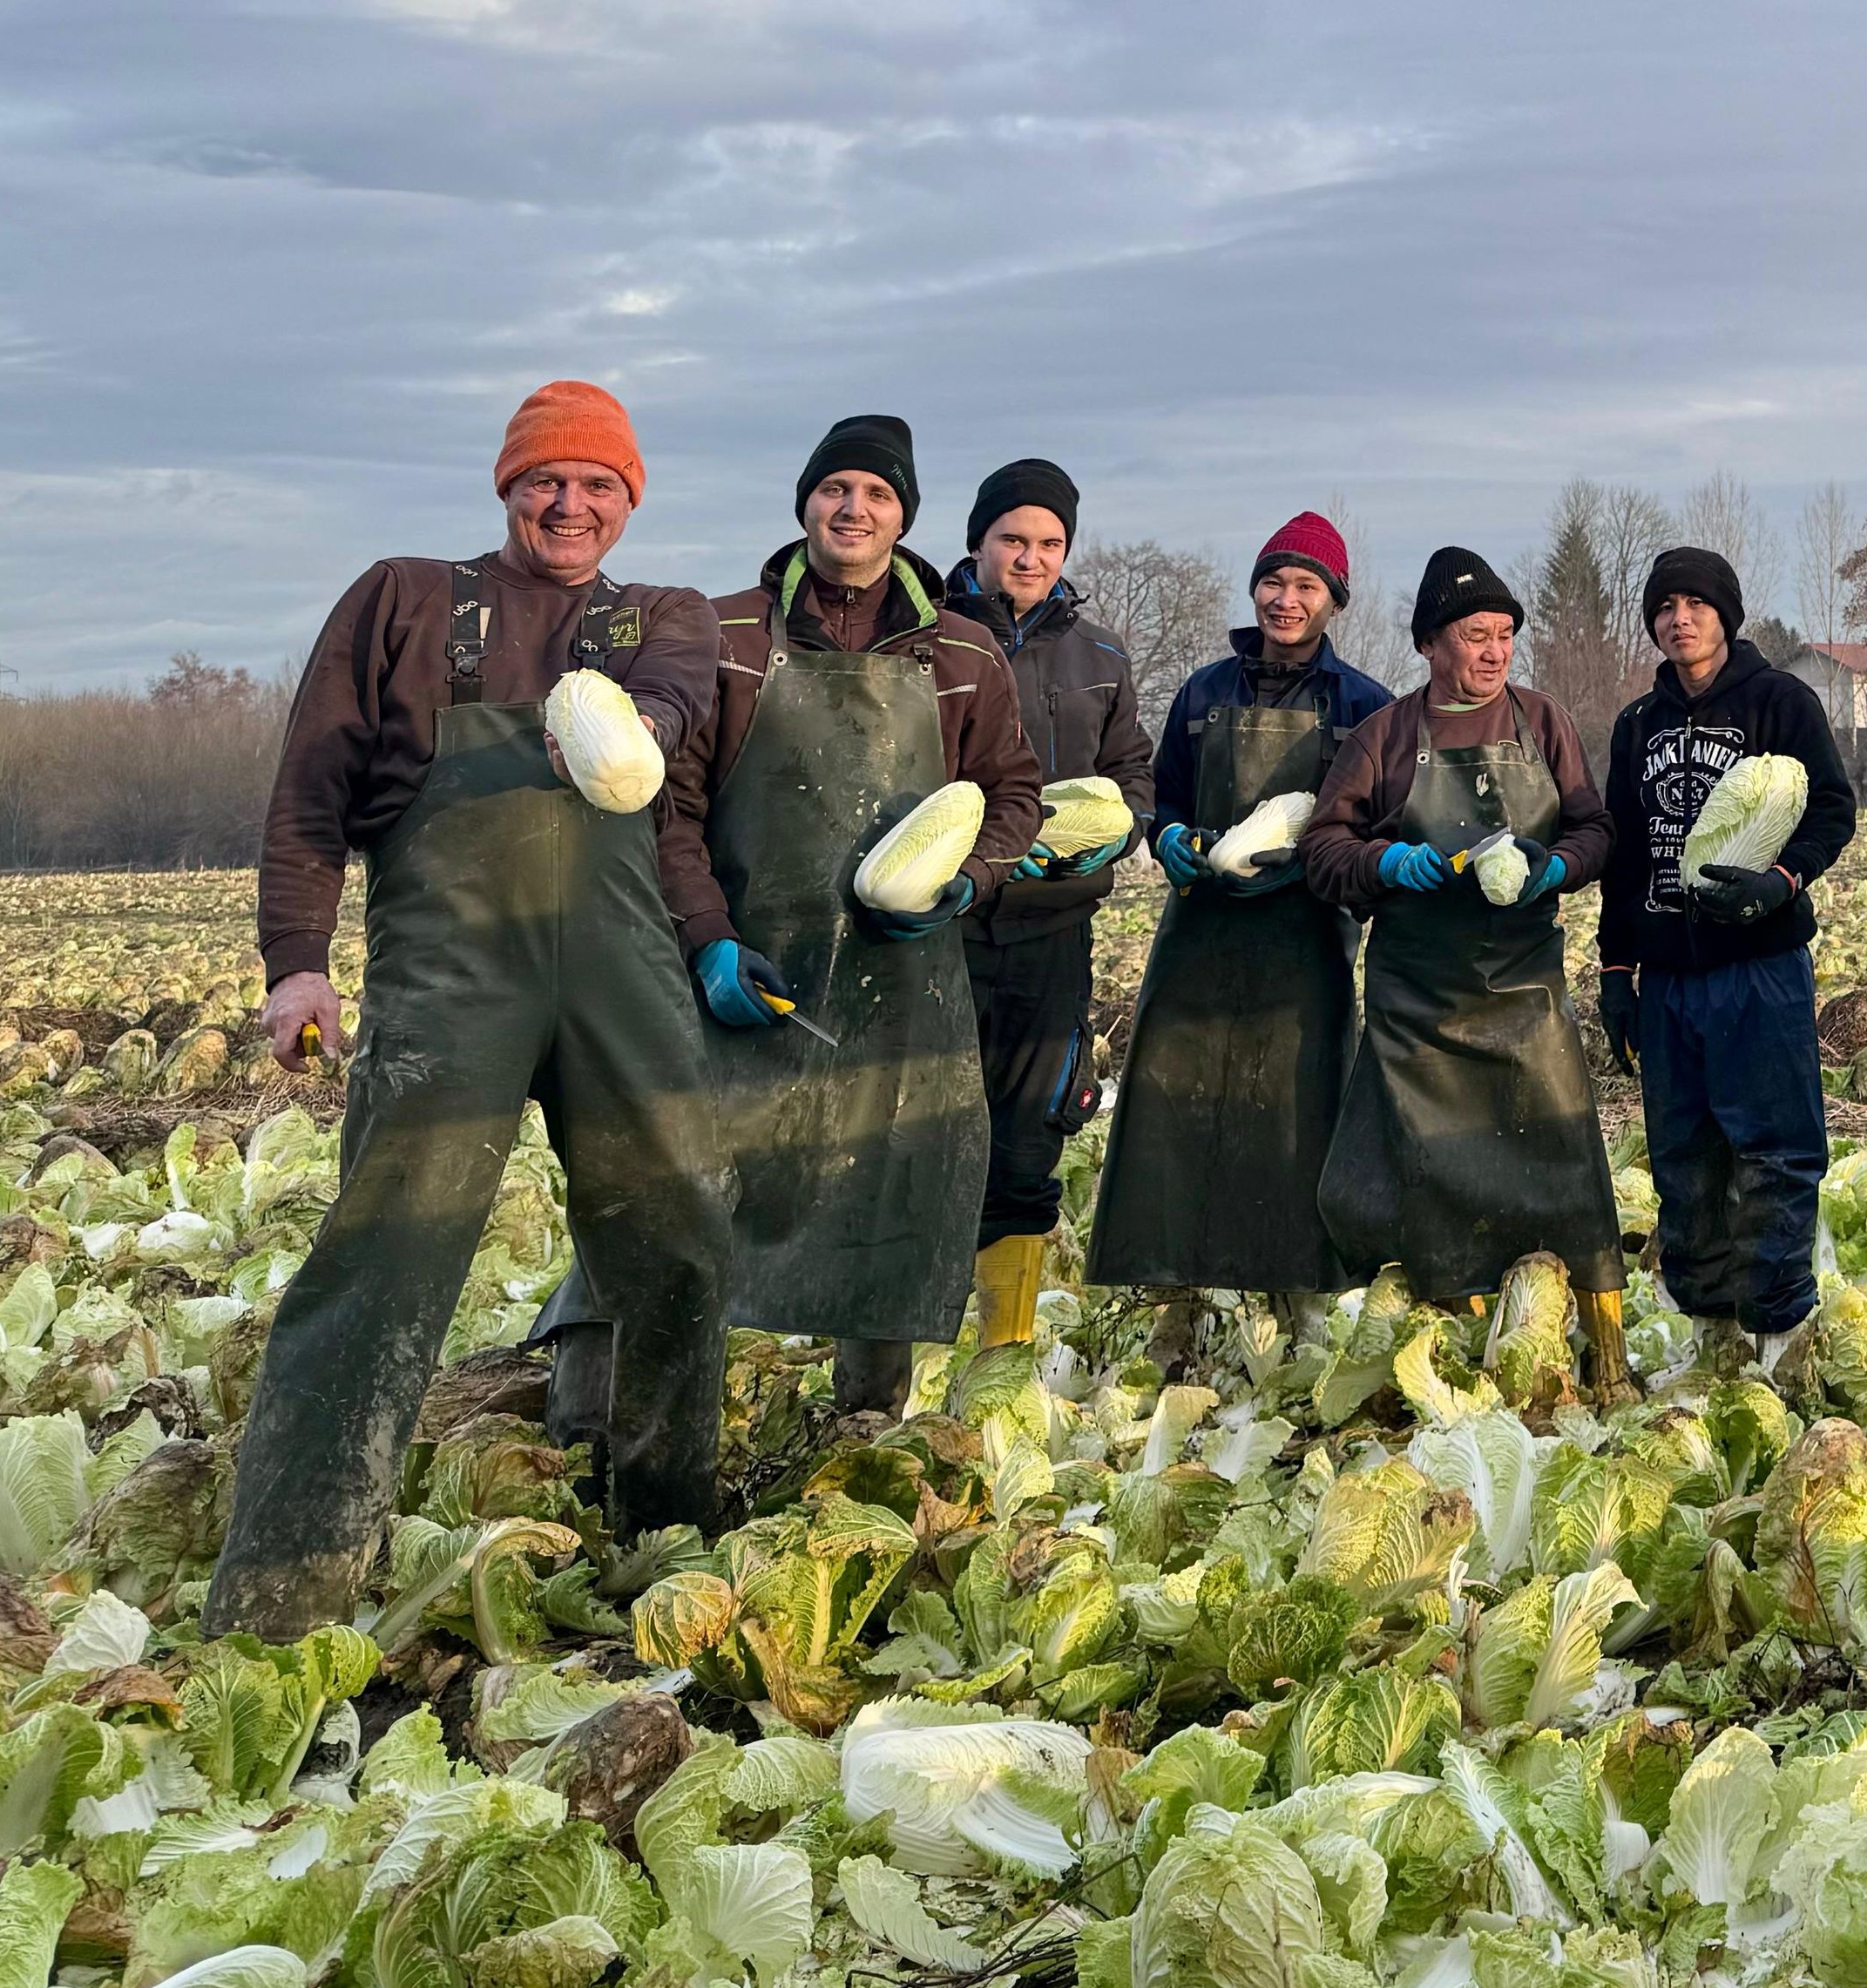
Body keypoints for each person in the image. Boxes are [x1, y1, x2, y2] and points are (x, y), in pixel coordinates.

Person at [213, 382, 730, 1637]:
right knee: (388, 1247)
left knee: (677, 1234)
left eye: (597, 484)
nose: (570, 503)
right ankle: (292, 1573)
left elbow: (674, 702)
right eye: (545, 480)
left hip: (620, 965)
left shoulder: (663, 615)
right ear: (507, 488)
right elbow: (310, 790)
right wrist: (297, 958)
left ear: (628, 500)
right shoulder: (402, 598)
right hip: (452, 968)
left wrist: (634, 730)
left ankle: (663, 1532)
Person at [536, 416, 1045, 1423]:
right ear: (805, 502)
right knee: (664, 1189)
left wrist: (967, 883)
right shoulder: (720, 635)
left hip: (900, 989)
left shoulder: (964, 655)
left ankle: (864, 1427)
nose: (854, 510)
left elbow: (1014, 796)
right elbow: (668, 811)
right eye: (836, 489)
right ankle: (591, 1429)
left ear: (904, 518)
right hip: (740, 972)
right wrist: (706, 939)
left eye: (879, 496)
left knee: (891, 1199)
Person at [1300, 547, 1626, 1387]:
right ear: (1430, 644)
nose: (1494, 651)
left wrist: (1560, 866)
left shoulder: (1541, 721)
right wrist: (1384, 865)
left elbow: (1595, 826)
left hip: (1525, 992)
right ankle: (1459, 1357)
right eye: (1476, 634)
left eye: (1506, 634)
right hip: (1420, 1007)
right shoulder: (1388, 735)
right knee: (1435, 1187)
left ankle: (1606, 1360)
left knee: (1567, 1173)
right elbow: (1323, 848)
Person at [1087, 514, 1391, 1362]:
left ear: (1333, 601)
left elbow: (1368, 827)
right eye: (1274, 581)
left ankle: (1298, 1305)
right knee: (1171, 1113)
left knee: (1299, 1120)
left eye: (1306, 587)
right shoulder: (1204, 691)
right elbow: (1166, 797)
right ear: (1254, 587)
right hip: (1202, 931)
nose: (1285, 599)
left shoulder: (1362, 705)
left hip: (1304, 940)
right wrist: (1174, 838)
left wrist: (1311, 867)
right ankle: (1174, 1304)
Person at [1596, 548, 1857, 1368]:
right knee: (1683, 1156)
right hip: (1670, 975)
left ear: (1726, 614)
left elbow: (1833, 809)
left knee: (1775, 1149)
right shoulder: (1637, 724)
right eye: (1665, 606)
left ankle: (1779, 1335)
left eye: (1696, 603)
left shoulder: (1781, 701)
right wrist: (1614, 970)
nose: (1680, 619)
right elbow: (1624, 853)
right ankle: (1712, 1339)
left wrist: (1782, 881)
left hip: (1759, 968)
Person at [945, 458, 1155, 1348]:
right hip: (943, 926)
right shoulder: (932, 634)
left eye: (1048, 543)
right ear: (978, 542)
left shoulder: (1099, 653)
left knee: (1030, 1138)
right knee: (929, 1129)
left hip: (1054, 929)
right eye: (1012, 540)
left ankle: (1003, 1347)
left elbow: (1132, 771)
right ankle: (914, 1332)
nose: (1029, 558)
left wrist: (1123, 829)